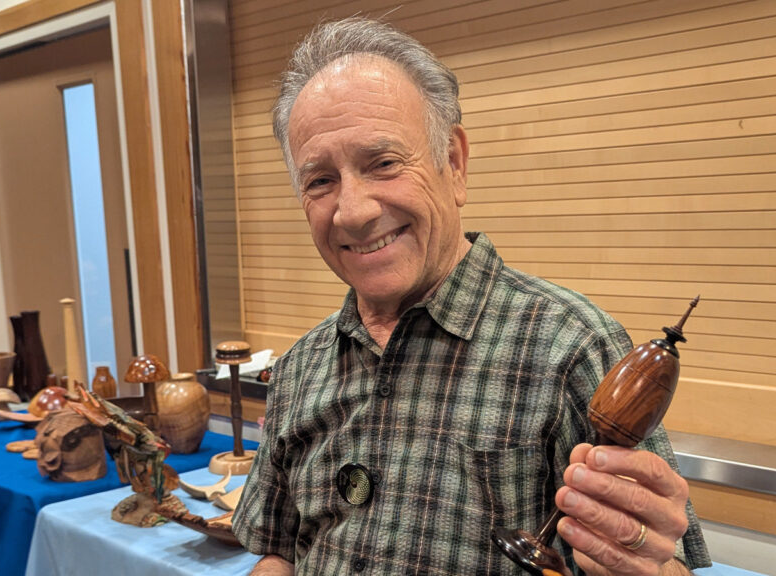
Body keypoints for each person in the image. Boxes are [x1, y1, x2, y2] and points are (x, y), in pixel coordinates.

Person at [233, 17, 711, 576]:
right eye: (320, 180)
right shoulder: (299, 368)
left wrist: (644, 562)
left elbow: (660, 560)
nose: (354, 210)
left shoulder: (570, 346)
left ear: (454, 163)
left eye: (383, 163)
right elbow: (279, 550)